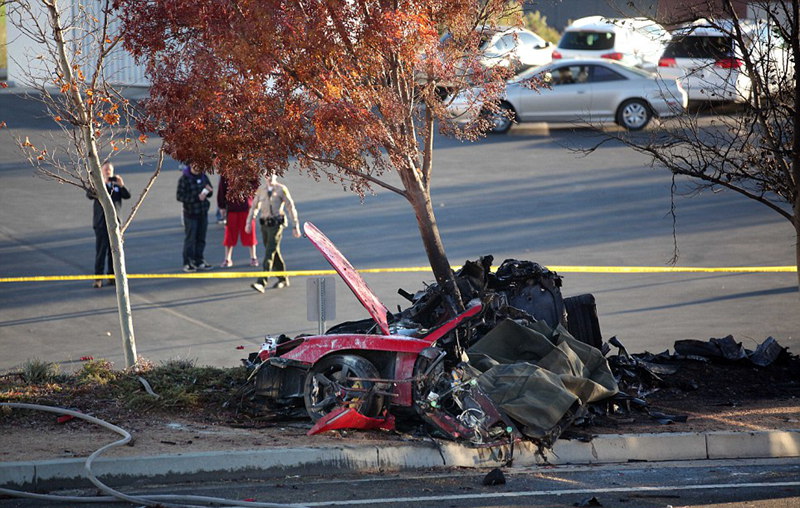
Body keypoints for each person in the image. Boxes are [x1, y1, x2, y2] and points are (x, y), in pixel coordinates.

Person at [246, 175, 300, 292]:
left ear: (276, 175)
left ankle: (262, 282)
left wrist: (295, 225)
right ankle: (283, 278)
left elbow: (290, 207)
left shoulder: (281, 189)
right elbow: (254, 207)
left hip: (276, 225)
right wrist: (249, 222)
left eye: (271, 174)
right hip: (265, 225)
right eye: (266, 175)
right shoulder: (261, 190)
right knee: (274, 252)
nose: (269, 177)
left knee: (269, 252)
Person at [86, 162, 131, 288]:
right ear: (101, 171)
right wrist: (101, 184)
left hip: (116, 224)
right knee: (101, 251)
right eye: (105, 170)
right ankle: (98, 278)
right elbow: (89, 195)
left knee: (114, 251)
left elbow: (127, 196)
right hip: (101, 224)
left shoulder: (116, 185)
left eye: (109, 170)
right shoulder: (98, 184)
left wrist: (121, 185)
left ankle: (112, 276)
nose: (108, 172)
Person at [176, 163, 214, 272]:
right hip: (190, 214)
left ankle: (199, 260)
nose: (197, 168)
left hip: (203, 213)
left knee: (201, 238)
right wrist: (196, 198)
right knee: (190, 239)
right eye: (195, 165)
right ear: (191, 165)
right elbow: (179, 196)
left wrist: (209, 191)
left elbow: (210, 193)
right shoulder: (184, 179)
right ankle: (188, 262)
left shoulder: (204, 177)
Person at [217, 174, 259, 267]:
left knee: (250, 233)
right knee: (229, 234)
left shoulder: (249, 167)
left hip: (246, 207)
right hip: (232, 208)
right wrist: (221, 206)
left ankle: (253, 257)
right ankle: (227, 259)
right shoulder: (226, 169)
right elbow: (222, 188)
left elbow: (256, 184)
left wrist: (253, 201)